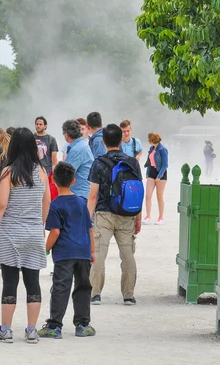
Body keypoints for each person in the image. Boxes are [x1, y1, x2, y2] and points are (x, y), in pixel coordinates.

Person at [0, 127, 51, 344]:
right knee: (33, 282)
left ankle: (6, 329)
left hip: (11, 232)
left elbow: (2, 204)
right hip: (33, 231)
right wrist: (40, 224)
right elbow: (46, 201)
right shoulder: (41, 171)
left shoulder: (8, 171)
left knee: (10, 282)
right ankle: (31, 330)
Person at [38, 162, 96, 339]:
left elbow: (55, 232)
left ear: (53, 181)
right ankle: (82, 324)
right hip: (83, 251)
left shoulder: (55, 205)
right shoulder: (81, 202)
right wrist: (92, 251)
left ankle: (55, 325)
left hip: (64, 253)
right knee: (83, 287)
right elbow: (89, 228)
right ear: (73, 181)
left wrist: (45, 249)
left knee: (61, 287)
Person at [87, 124, 142, 306]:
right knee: (127, 254)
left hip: (104, 214)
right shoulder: (133, 162)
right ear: (121, 140)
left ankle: (95, 293)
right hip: (127, 214)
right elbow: (137, 191)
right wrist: (138, 218)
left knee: (99, 254)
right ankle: (128, 295)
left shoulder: (99, 163)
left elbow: (93, 195)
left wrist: (88, 219)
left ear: (103, 142)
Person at [62, 120, 94, 200]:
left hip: (79, 195)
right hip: (84, 193)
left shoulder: (77, 149)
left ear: (66, 135)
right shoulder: (81, 145)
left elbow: (66, 174)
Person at [143, 132, 168, 225]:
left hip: (161, 173)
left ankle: (161, 217)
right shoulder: (151, 148)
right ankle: (148, 216)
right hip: (152, 172)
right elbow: (149, 161)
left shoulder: (163, 149)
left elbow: (165, 164)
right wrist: (147, 173)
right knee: (148, 195)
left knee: (159, 196)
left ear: (152, 140)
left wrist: (159, 176)